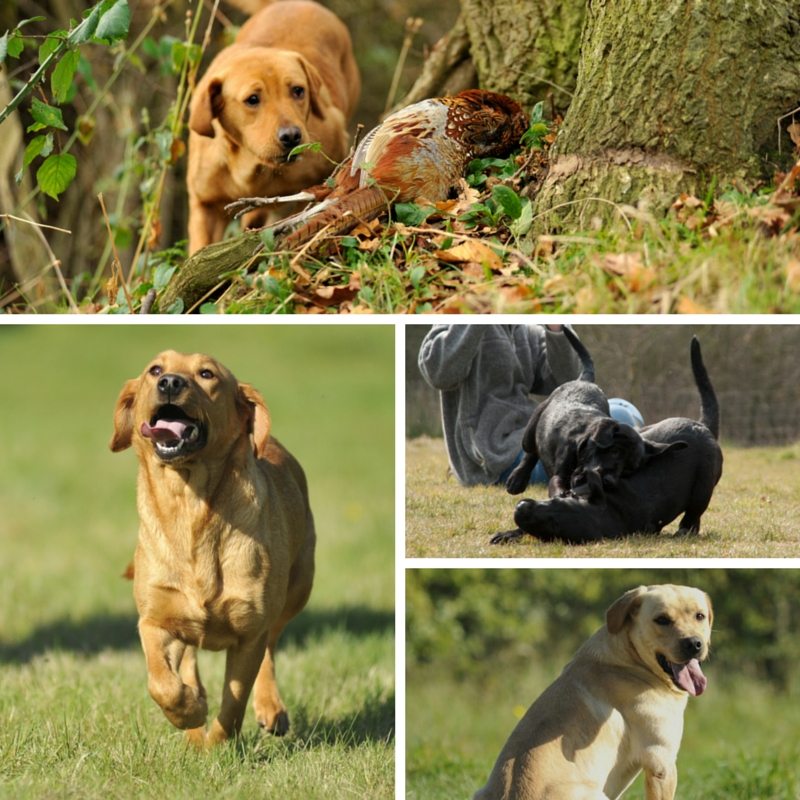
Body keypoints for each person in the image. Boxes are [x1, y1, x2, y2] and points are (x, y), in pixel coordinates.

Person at [417, 324, 643, 487]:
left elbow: (569, 385)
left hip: (532, 436)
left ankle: (636, 466)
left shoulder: (525, 332)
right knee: (619, 423)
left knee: (622, 410)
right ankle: (623, 474)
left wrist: (556, 330)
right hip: (494, 453)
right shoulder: (455, 325)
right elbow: (439, 372)